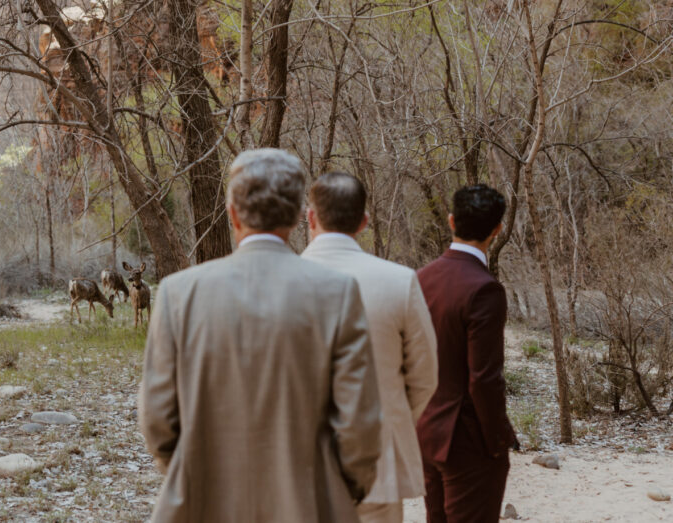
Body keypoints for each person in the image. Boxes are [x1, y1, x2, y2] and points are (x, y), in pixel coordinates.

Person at [138, 148, 381, 523]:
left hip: (201, 504)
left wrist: (195, 475)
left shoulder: (178, 293)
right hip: (310, 504)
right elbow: (359, 426)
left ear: (233, 215)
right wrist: (341, 490)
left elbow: (158, 421)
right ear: (300, 217)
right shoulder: (337, 292)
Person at [302, 172, 438, 523]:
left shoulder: (275, 283)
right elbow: (424, 377)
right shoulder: (399, 281)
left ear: (310, 217)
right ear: (364, 222)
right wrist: (390, 420)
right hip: (377, 467)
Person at [417, 185, 516, 522]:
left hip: (426, 431)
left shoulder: (419, 279)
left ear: (451, 221)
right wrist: (496, 441)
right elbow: (484, 379)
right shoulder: (484, 288)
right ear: (497, 229)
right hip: (468, 440)